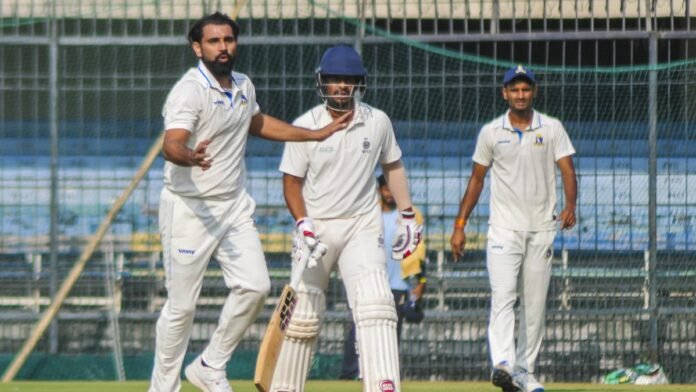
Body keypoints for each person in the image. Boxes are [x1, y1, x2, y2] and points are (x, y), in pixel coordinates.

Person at [149, 12, 349, 392]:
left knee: (256, 287)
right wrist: (190, 156)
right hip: (189, 208)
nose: (223, 47)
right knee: (182, 308)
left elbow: (257, 124)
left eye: (228, 40)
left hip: (233, 207)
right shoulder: (189, 91)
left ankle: (210, 364)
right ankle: (162, 388)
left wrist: (315, 134)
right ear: (197, 47)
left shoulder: (243, 85)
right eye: (213, 41)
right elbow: (171, 143)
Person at [269, 45, 422, 392]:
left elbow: (392, 166)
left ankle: (383, 385)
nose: (341, 86)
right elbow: (291, 183)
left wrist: (408, 214)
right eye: (335, 79)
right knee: (304, 315)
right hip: (316, 229)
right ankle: (285, 388)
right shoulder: (305, 126)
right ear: (323, 82)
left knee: (376, 305)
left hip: (361, 226)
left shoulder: (377, 121)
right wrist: (302, 224)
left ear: (358, 83)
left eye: (348, 80)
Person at [449, 64, 577, 392]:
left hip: (541, 228)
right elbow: (477, 180)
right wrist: (460, 225)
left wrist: (570, 205)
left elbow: (567, 168)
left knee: (534, 303)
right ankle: (503, 363)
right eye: (514, 89)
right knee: (503, 296)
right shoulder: (492, 132)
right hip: (504, 230)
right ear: (504, 93)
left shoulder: (551, 128)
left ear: (533, 92)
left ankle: (524, 369)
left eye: (525, 89)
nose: (520, 95)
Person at [339, 174, 427, 380]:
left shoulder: (410, 216)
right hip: (370, 281)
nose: (390, 193)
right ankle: (351, 374)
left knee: (391, 333)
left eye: (392, 189)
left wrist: (421, 282)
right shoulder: (369, 215)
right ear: (379, 190)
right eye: (386, 189)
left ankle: (384, 375)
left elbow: (420, 251)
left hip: (398, 284)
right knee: (359, 329)